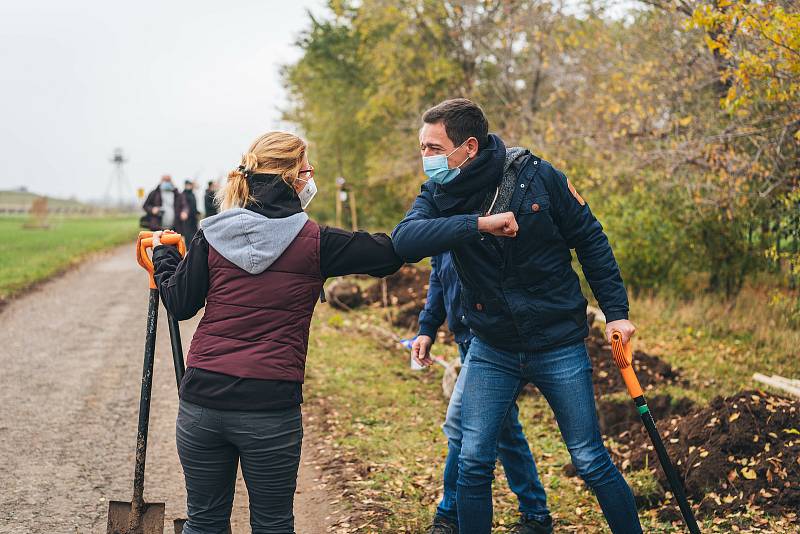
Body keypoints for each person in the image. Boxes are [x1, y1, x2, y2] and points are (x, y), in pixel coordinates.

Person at [392, 99, 642, 534]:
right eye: (422, 148)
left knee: (588, 459)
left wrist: (616, 315)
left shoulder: (538, 176)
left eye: (433, 148)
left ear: (468, 147)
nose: (425, 158)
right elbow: (405, 240)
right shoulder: (438, 193)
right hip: (493, 347)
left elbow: (591, 240)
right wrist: (479, 225)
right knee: (472, 461)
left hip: (558, 343)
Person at [151, 131, 403, 533]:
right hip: (269, 410)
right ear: (293, 178)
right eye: (308, 169)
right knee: (272, 524)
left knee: (203, 523)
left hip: (202, 404)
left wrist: (165, 258)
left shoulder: (212, 233)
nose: (311, 176)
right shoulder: (319, 242)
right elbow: (389, 253)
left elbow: (180, 304)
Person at [414, 251, 552, 534]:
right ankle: (536, 514)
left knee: (459, 423)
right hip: (466, 339)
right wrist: (427, 328)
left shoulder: (485, 211)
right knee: (505, 429)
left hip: (490, 341)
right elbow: (439, 278)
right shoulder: (441, 212)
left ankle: (449, 514)